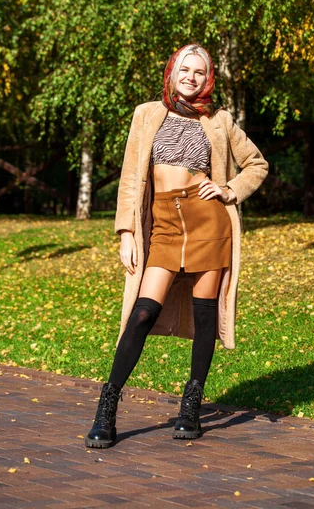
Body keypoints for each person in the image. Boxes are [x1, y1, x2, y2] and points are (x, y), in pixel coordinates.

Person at [85, 44, 268, 448]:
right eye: (185, 70)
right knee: (142, 313)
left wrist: (228, 189)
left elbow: (257, 164)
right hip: (163, 226)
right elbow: (131, 177)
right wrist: (127, 234)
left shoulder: (220, 120)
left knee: (205, 318)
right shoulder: (147, 113)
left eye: (199, 72)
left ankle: (191, 406)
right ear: (172, 72)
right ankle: (107, 408)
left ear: (209, 78)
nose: (191, 77)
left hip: (209, 222)